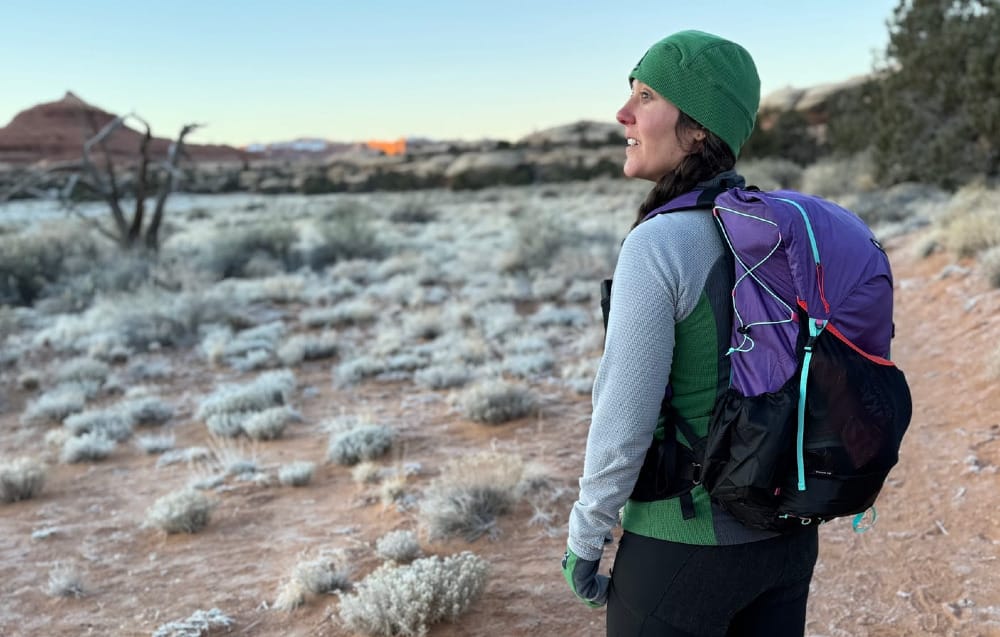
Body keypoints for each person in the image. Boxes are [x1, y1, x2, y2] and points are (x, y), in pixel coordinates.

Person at [562, 30, 819, 636]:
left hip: (682, 549)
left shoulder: (661, 242)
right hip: (785, 544)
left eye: (646, 95)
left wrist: (586, 535)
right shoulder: (784, 230)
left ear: (699, 125)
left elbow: (624, 414)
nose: (623, 113)